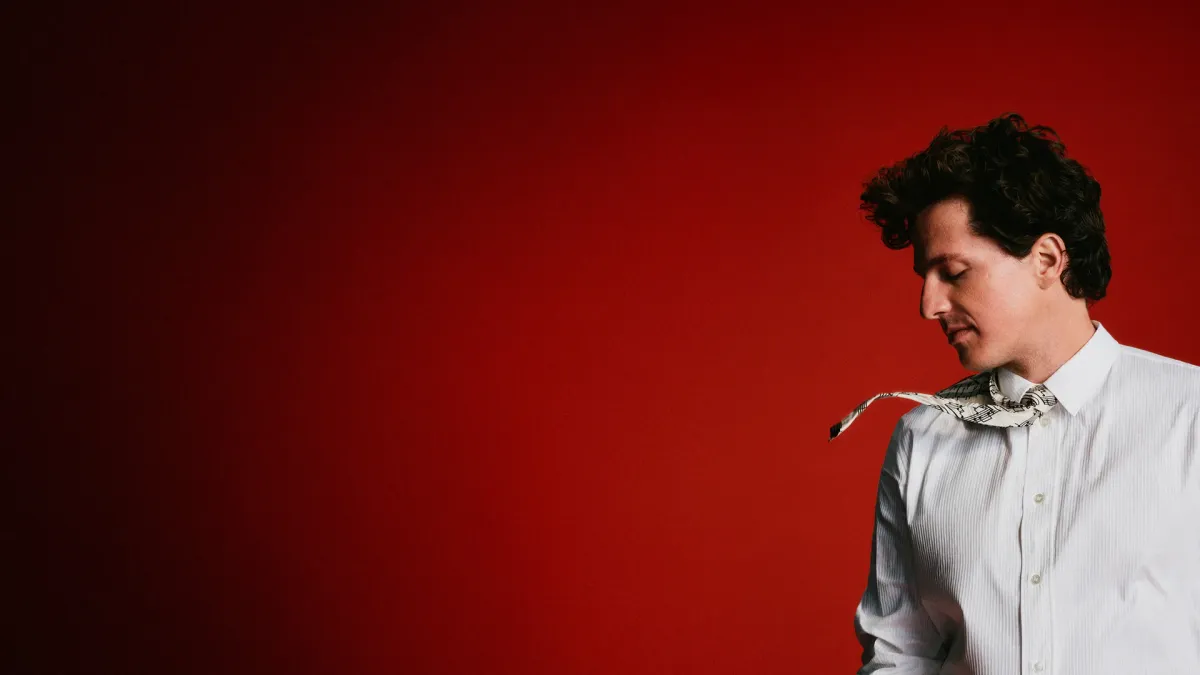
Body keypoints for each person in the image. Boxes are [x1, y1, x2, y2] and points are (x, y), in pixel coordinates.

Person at [829, 113, 1200, 674]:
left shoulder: (1189, 415)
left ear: (1047, 259)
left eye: (954, 271)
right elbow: (899, 654)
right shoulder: (920, 440)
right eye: (924, 277)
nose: (929, 305)